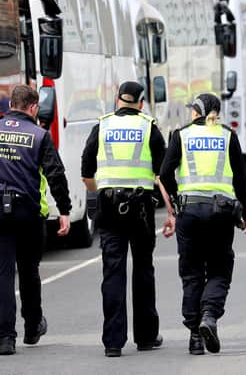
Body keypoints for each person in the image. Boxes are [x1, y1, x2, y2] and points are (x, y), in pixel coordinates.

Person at [0, 85, 72, 356]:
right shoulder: (39, 135)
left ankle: (6, 338)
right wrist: (64, 210)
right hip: (28, 211)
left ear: (11, 103)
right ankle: (33, 328)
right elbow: (55, 174)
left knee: (3, 272)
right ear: (33, 108)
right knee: (29, 271)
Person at [158, 93, 246, 355]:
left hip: (188, 212)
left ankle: (194, 338)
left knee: (191, 273)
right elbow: (241, 179)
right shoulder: (227, 136)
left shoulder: (181, 135)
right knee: (219, 269)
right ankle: (209, 317)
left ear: (197, 112)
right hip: (221, 213)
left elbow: (165, 173)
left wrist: (177, 200)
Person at [81, 81, 166, 358]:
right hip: (141, 207)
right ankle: (146, 337)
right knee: (143, 270)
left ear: (117, 100)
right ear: (141, 103)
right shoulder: (148, 127)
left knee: (112, 273)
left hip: (109, 207)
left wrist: (103, 193)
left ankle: (113, 343)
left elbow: (86, 172)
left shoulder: (102, 126)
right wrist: (170, 209)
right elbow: (164, 172)